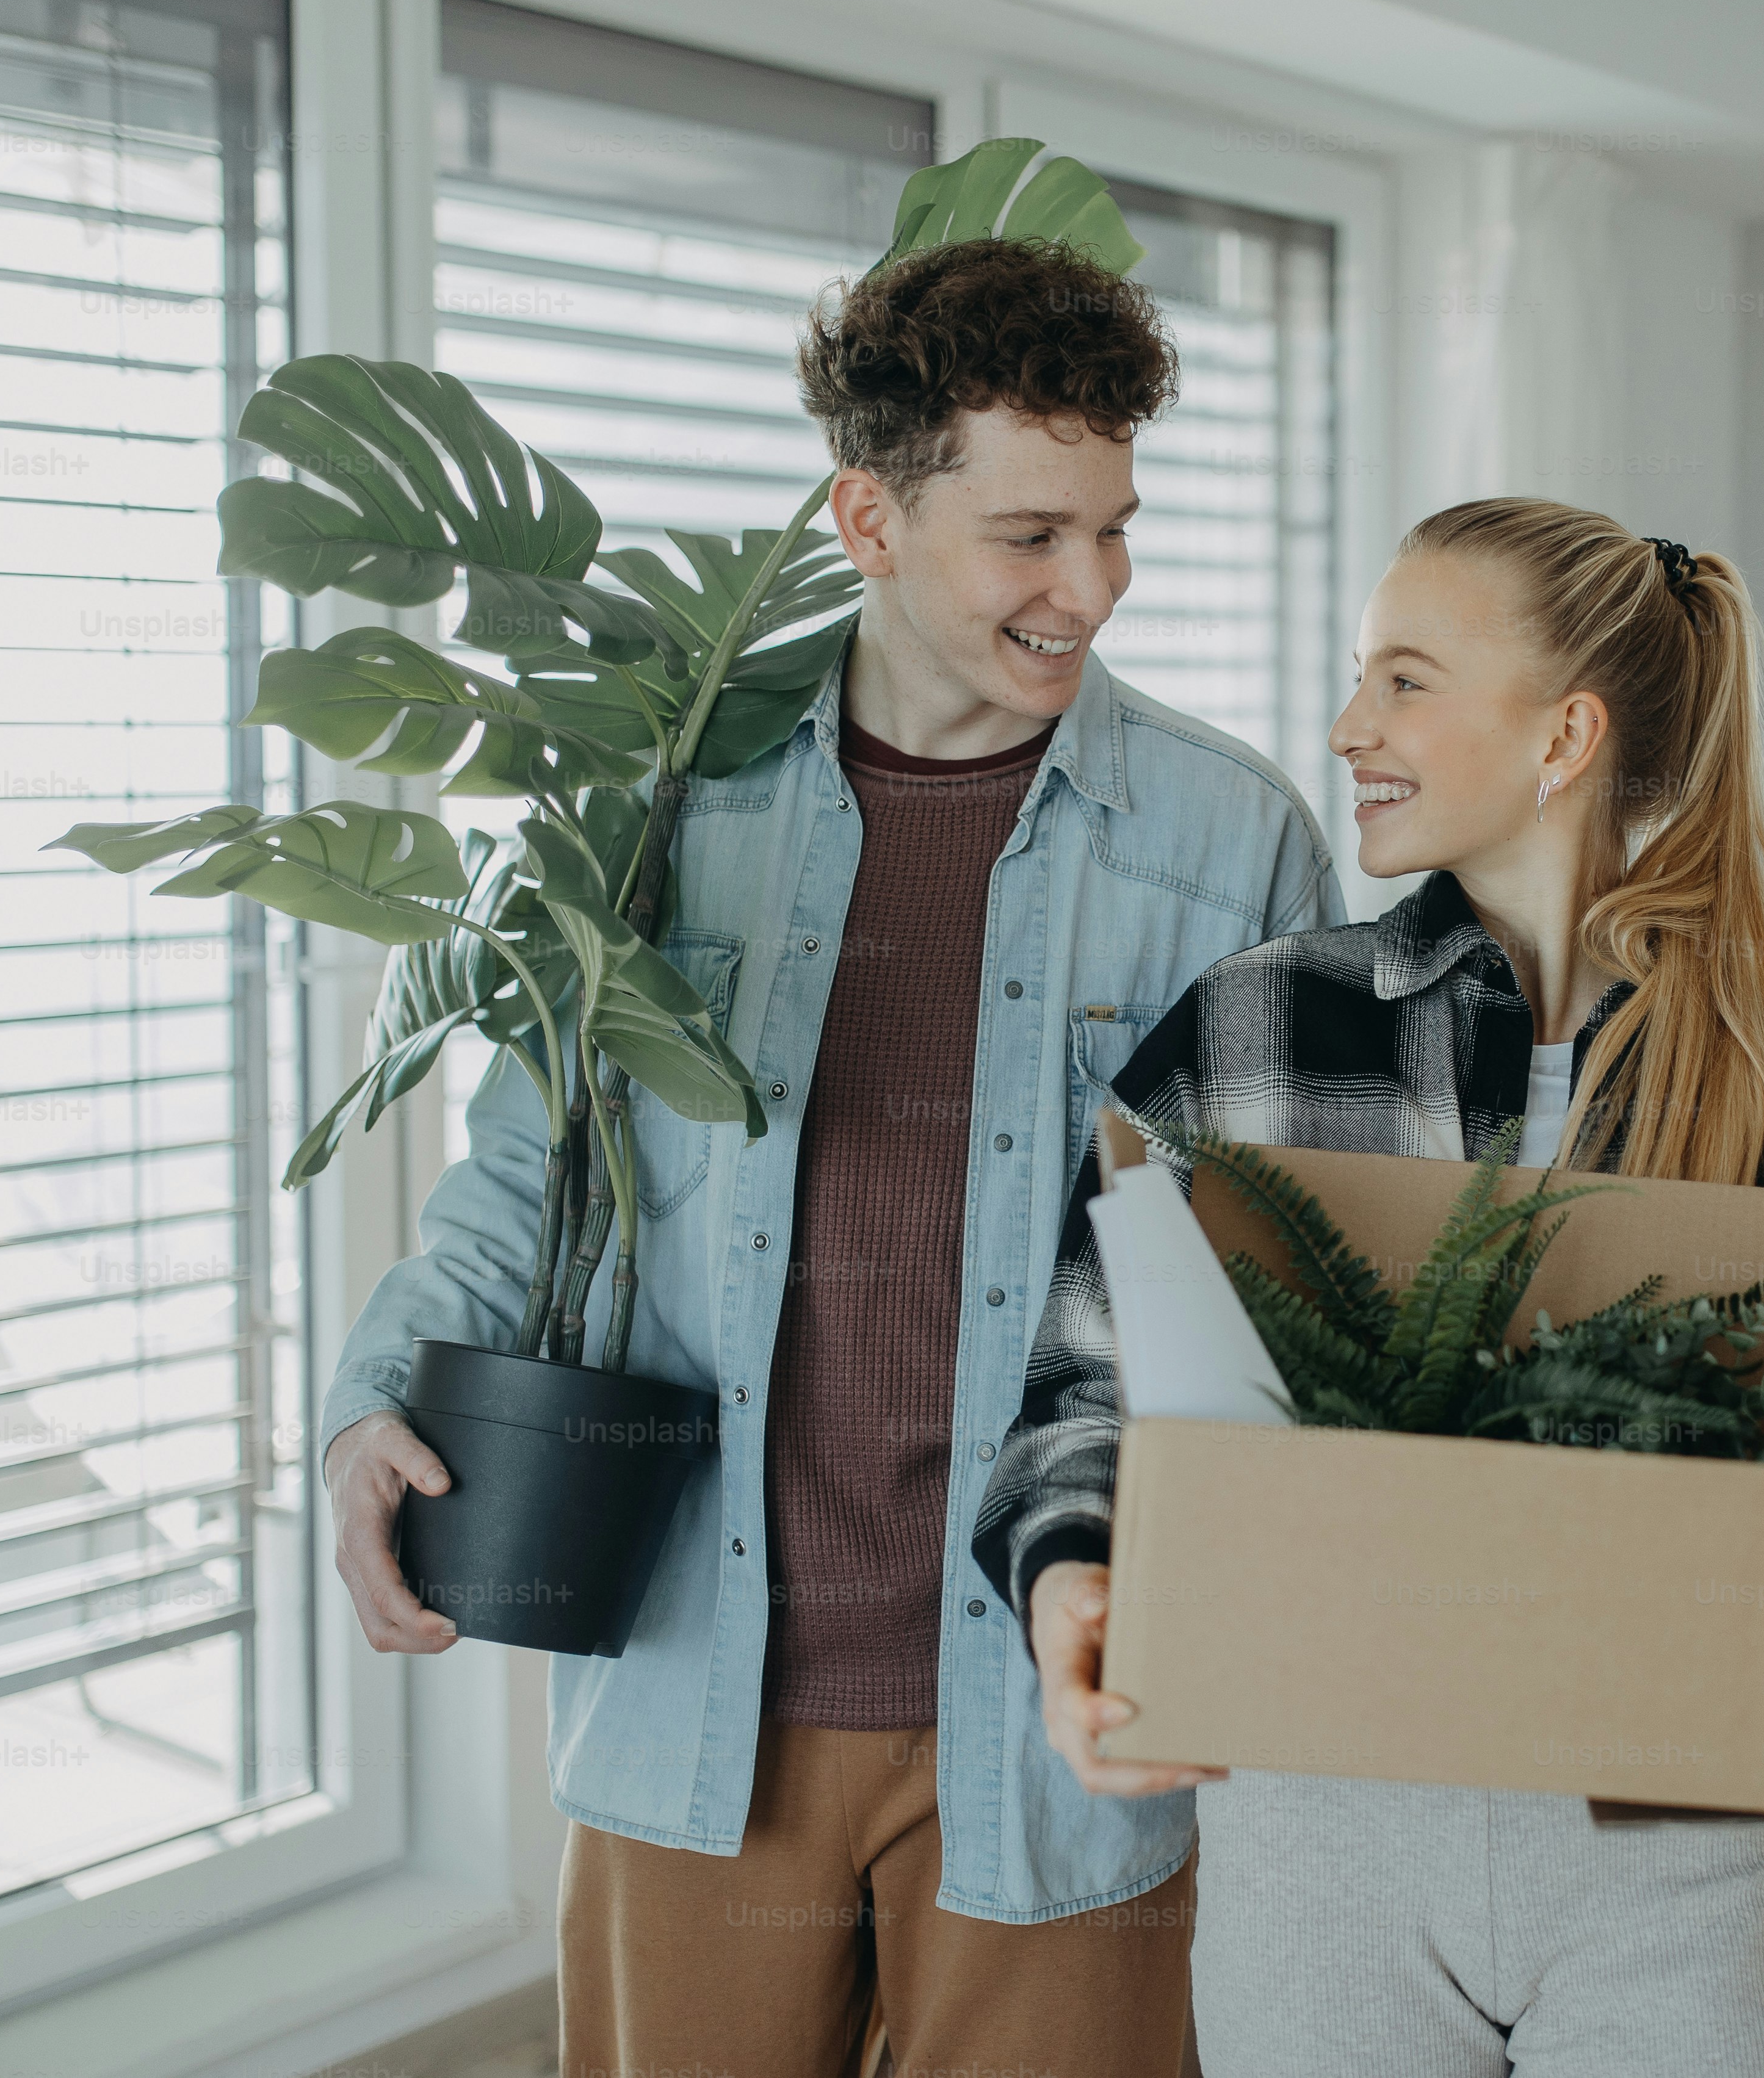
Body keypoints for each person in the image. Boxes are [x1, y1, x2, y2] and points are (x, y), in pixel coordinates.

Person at [316, 235, 1346, 2078]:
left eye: (1114, 527)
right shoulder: (652, 809)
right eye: (1030, 534)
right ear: (866, 518)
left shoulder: (1231, 845)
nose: (1089, 587)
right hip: (692, 1690)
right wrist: (378, 1393)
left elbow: (1284, 1282)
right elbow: (528, 1168)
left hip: (1056, 1716)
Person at [973, 497, 1764, 2076]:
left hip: (1674, 1850)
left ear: (1564, 733)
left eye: (1401, 679)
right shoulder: (1251, 1032)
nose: (1343, 726)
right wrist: (1068, 1588)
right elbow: (1080, 1394)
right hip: (1321, 1843)